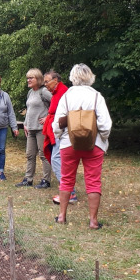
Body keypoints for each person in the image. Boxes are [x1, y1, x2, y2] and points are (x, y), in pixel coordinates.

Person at [53, 64, 112, 229]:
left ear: (73, 77)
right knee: (93, 181)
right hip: (94, 144)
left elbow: (57, 124)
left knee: (66, 179)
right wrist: (101, 139)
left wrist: (62, 137)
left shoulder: (66, 96)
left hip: (68, 144)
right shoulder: (96, 97)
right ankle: (93, 221)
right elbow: (105, 125)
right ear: (90, 77)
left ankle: (62, 216)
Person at [41, 71, 77, 205]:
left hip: (62, 132)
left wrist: (58, 129)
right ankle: (68, 190)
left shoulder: (64, 92)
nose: (46, 85)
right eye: (44, 82)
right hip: (57, 130)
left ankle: (70, 192)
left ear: (56, 80)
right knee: (58, 158)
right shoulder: (56, 92)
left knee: (56, 158)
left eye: (47, 81)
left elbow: (65, 114)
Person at [15, 69, 52, 187]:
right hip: (30, 128)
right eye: (27, 78)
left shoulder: (44, 91)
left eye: (31, 78)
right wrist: (25, 123)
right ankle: (28, 179)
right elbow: (29, 110)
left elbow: (57, 104)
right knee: (30, 154)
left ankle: (46, 180)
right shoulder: (30, 92)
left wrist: (48, 117)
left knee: (44, 154)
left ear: (38, 79)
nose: (28, 80)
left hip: (42, 129)